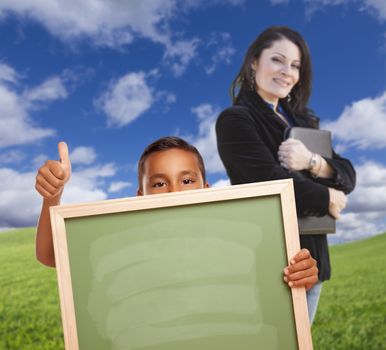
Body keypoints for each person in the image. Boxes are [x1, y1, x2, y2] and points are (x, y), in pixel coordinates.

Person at [35, 136, 318, 292]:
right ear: (140, 196)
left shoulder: (237, 245)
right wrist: (52, 196)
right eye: (159, 184)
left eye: (186, 180)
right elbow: (50, 255)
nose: (174, 192)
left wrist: (300, 276)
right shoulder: (123, 245)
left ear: (205, 189)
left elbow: (275, 284)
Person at [215, 26, 356, 323]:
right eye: (278, 60)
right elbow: (268, 183)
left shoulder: (304, 120)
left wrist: (313, 162)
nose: (287, 72)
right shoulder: (236, 120)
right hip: (277, 263)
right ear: (254, 62)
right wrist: (328, 196)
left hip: (314, 260)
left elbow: (348, 174)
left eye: (295, 66)